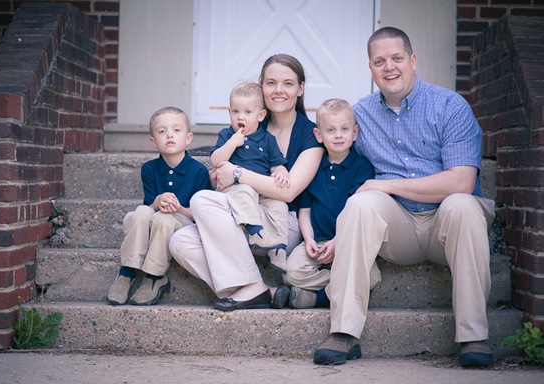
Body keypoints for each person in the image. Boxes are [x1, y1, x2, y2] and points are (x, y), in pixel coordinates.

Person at [313, 27, 496, 369]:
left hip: (448, 225)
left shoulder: (449, 106)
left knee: (463, 204)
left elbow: (462, 180)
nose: (389, 67)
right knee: (360, 203)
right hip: (399, 229)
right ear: (370, 68)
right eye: (379, 61)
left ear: (413, 61)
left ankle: (473, 335)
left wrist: (389, 185)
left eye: (397, 58)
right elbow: (323, 143)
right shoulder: (359, 116)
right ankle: (344, 332)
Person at [169, 54, 324, 311]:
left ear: (301, 88)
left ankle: (249, 287)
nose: (278, 90)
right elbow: (221, 167)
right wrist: (217, 174)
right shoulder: (244, 125)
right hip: (238, 218)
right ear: (261, 86)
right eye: (271, 82)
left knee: (201, 200)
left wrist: (237, 172)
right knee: (180, 242)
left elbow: (289, 191)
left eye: (287, 83)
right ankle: (261, 289)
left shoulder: (310, 134)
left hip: (279, 222)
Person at [107, 106, 211, 306]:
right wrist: (158, 201)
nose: (169, 135)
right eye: (162, 131)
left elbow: (197, 215)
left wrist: (177, 208)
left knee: (164, 218)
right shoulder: (149, 169)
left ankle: (154, 276)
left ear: (188, 138)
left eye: (176, 130)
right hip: (154, 220)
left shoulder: (198, 171)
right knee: (140, 213)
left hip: (182, 224)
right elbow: (148, 209)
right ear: (153, 142)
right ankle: (127, 272)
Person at [283, 98, 379, 308]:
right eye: (331, 130)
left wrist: (337, 241)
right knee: (292, 273)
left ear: (355, 133)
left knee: (371, 277)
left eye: (344, 129)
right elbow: (305, 211)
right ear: (318, 135)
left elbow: (357, 213)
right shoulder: (313, 166)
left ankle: (317, 298)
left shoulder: (362, 167)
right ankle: (344, 284)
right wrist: (308, 239)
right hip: (317, 242)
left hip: (348, 242)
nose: (338, 135)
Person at [211, 81, 290, 273]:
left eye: (247, 112)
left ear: (261, 115)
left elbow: (276, 163)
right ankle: (255, 231)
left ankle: (278, 249)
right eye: (236, 111)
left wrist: (281, 172)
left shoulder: (267, 139)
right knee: (244, 191)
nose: (240, 117)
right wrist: (231, 143)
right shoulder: (226, 134)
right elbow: (216, 160)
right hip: (235, 188)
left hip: (262, 191)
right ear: (229, 112)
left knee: (280, 206)